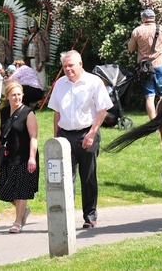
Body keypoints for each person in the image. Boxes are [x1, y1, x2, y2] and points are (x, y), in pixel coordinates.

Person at [47, 50, 112, 229]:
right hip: (65, 134)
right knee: (66, 177)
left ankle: (90, 216)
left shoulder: (93, 82)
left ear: (80, 64)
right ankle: (65, 217)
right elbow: (57, 112)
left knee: (88, 176)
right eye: (65, 66)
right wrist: (56, 137)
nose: (68, 69)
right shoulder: (60, 84)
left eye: (71, 66)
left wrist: (92, 133)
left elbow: (102, 110)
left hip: (87, 132)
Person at [0, 82, 39, 234]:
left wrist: (32, 157)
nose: (17, 97)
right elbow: (1, 130)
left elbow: (34, 137)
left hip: (25, 155)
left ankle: (17, 222)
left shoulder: (28, 113)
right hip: (8, 155)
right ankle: (24, 210)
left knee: (21, 189)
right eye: (13, 95)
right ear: (7, 96)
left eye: (19, 94)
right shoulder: (4, 111)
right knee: (3, 188)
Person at [128, 9, 162, 120]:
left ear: (143, 18)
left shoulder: (137, 31)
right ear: (154, 18)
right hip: (160, 65)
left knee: (149, 96)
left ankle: (153, 123)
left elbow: (131, 48)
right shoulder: (161, 29)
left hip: (144, 68)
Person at [21, 19, 49, 88]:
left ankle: (41, 91)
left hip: (37, 59)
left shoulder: (39, 35)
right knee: (29, 76)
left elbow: (42, 50)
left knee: (40, 76)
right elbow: (24, 51)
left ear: (36, 27)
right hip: (29, 58)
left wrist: (41, 63)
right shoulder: (29, 36)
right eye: (30, 27)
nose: (31, 29)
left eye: (33, 27)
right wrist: (23, 43)